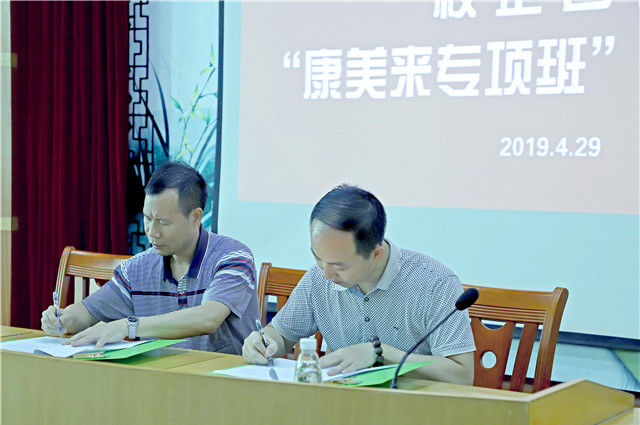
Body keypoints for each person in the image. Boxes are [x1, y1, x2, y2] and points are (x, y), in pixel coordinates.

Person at [242, 185, 475, 385]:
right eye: (317, 257)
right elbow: (281, 336)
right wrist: (264, 343)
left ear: (376, 254)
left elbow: (462, 375)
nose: (326, 274)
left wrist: (380, 353)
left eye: (339, 265)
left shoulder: (435, 284)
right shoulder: (317, 278)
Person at [42, 161, 259, 354]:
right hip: (158, 380)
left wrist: (128, 326)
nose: (152, 232)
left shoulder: (232, 257)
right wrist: (64, 319)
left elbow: (207, 318)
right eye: (147, 218)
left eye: (163, 222)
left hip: (221, 382)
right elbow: (88, 312)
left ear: (196, 217)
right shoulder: (137, 268)